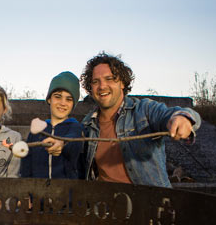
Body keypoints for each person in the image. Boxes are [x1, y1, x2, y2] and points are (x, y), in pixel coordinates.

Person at [79, 52, 201, 188]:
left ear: (122, 83)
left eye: (110, 79)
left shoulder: (144, 110)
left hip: (151, 203)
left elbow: (172, 114)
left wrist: (182, 118)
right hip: (106, 205)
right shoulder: (88, 124)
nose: (102, 86)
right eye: (96, 81)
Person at [21, 71, 83, 180]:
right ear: (49, 99)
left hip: (66, 192)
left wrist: (62, 143)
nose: (63, 103)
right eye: (58, 97)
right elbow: (27, 164)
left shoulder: (75, 127)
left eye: (69, 99)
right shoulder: (38, 130)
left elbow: (73, 141)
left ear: (73, 104)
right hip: (37, 192)